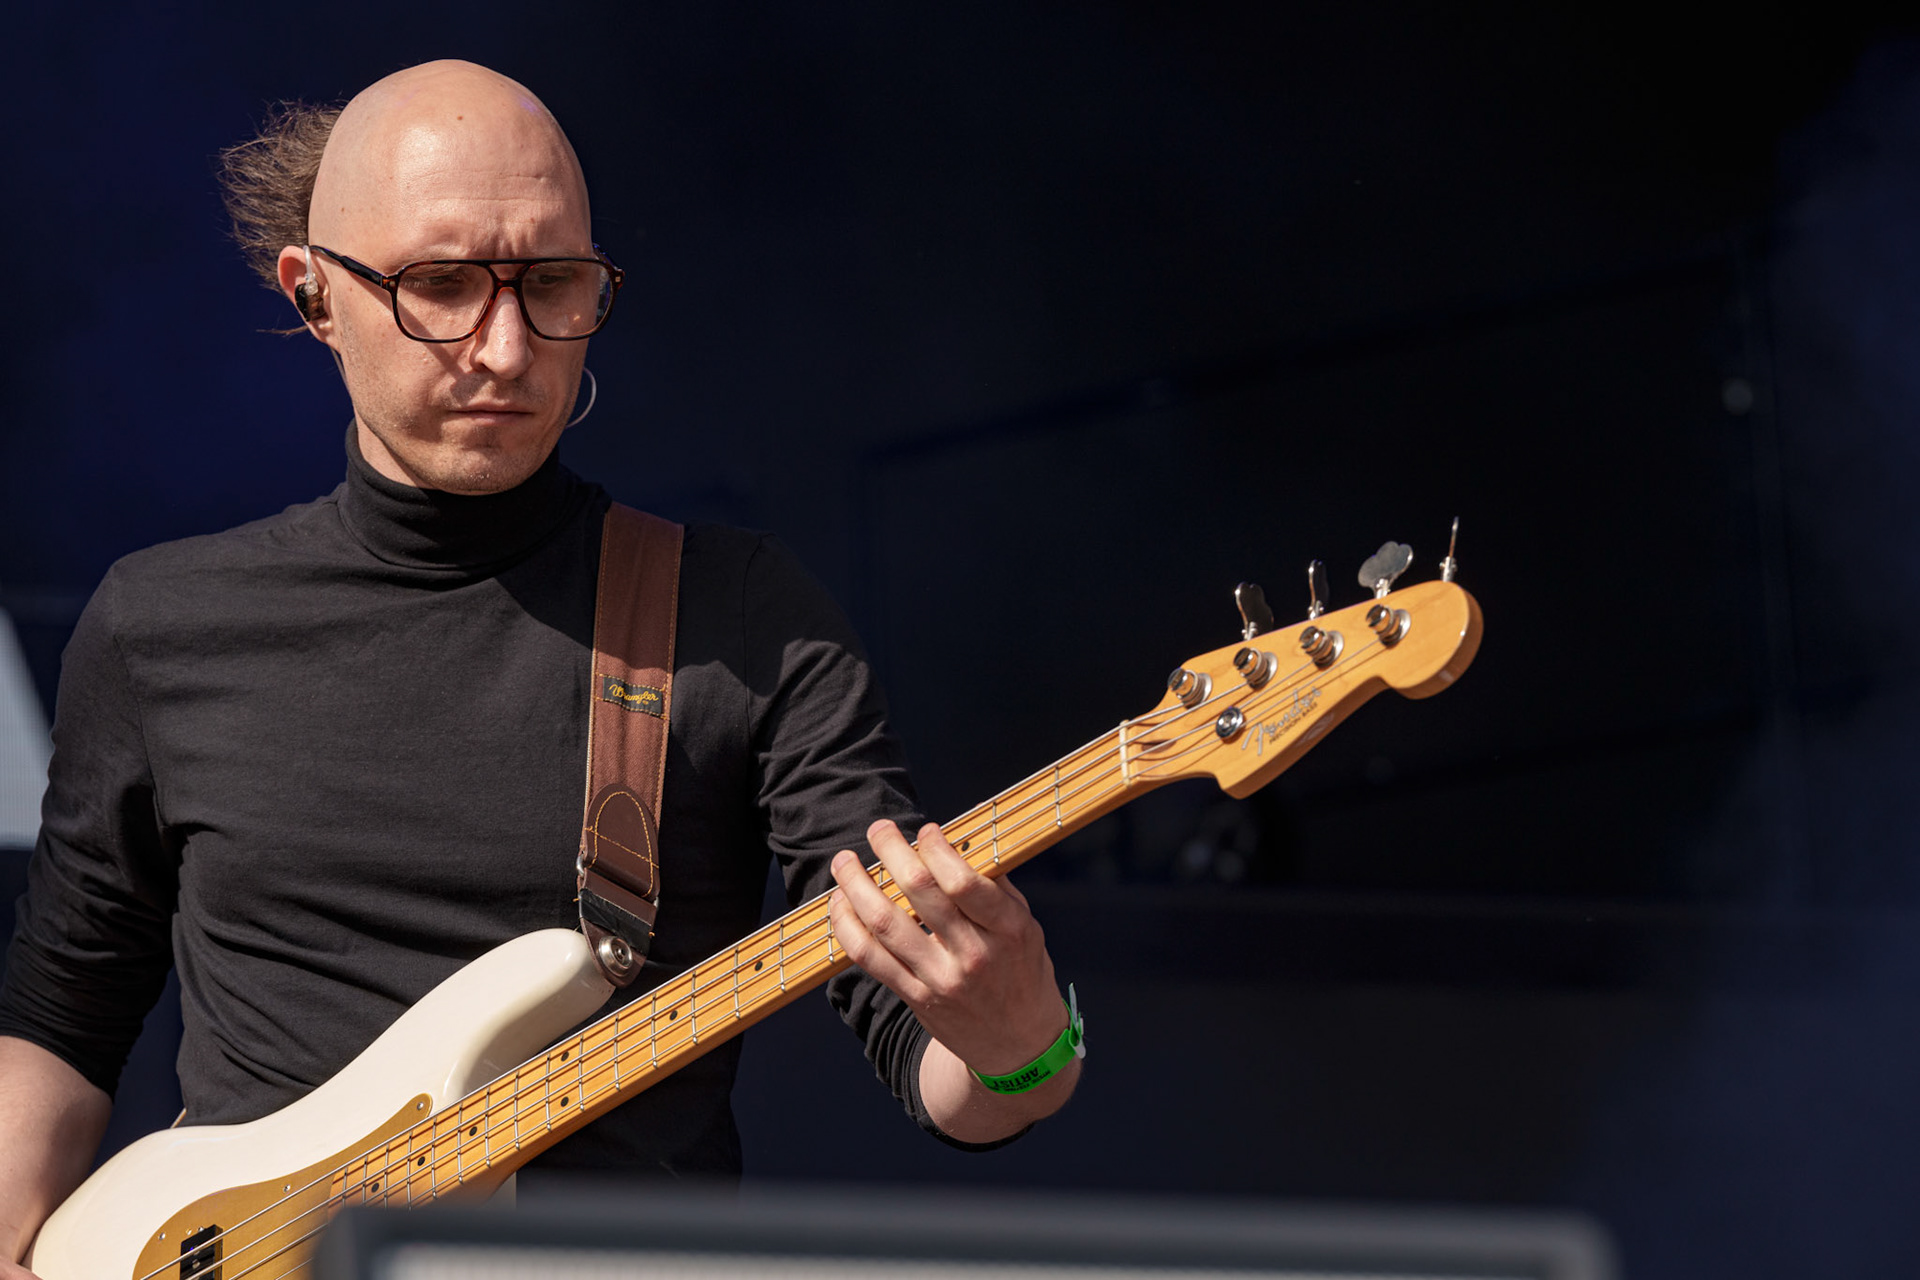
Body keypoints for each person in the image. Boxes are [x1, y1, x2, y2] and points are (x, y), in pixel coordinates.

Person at [0, 59, 1078, 1269]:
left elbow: (926, 1040)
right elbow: (63, 1010)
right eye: (442, 286)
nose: (506, 349)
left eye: (553, 283)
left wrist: (1020, 1045)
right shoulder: (163, 622)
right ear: (315, 296)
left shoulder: (738, 613)